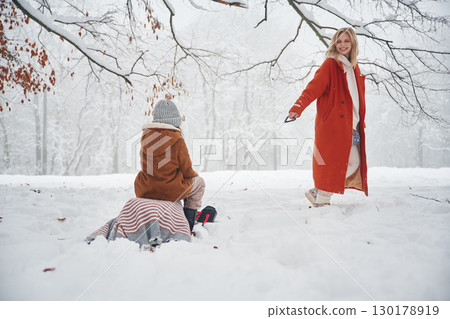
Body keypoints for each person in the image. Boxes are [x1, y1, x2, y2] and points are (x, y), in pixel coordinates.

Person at [288, 27, 368, 207]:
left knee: (354, 162)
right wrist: (297, 107)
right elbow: (313, 88)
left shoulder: (354, 68)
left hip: (352, 124)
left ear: (353, 42)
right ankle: (322, 199)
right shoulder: (330, 65)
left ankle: (320, 194)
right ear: (334, 43)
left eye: (346, 41)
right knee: (334, 162)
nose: (342, 45)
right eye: (339, 41)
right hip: (334, 124)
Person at [134, 99, 205, 231]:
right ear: (175, 121)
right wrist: (194, 176)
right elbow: (187, 170)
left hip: (145, 190)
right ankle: (188, 222)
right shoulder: (177, 139)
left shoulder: (146, 137)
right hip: (170, 191)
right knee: (199, 183)